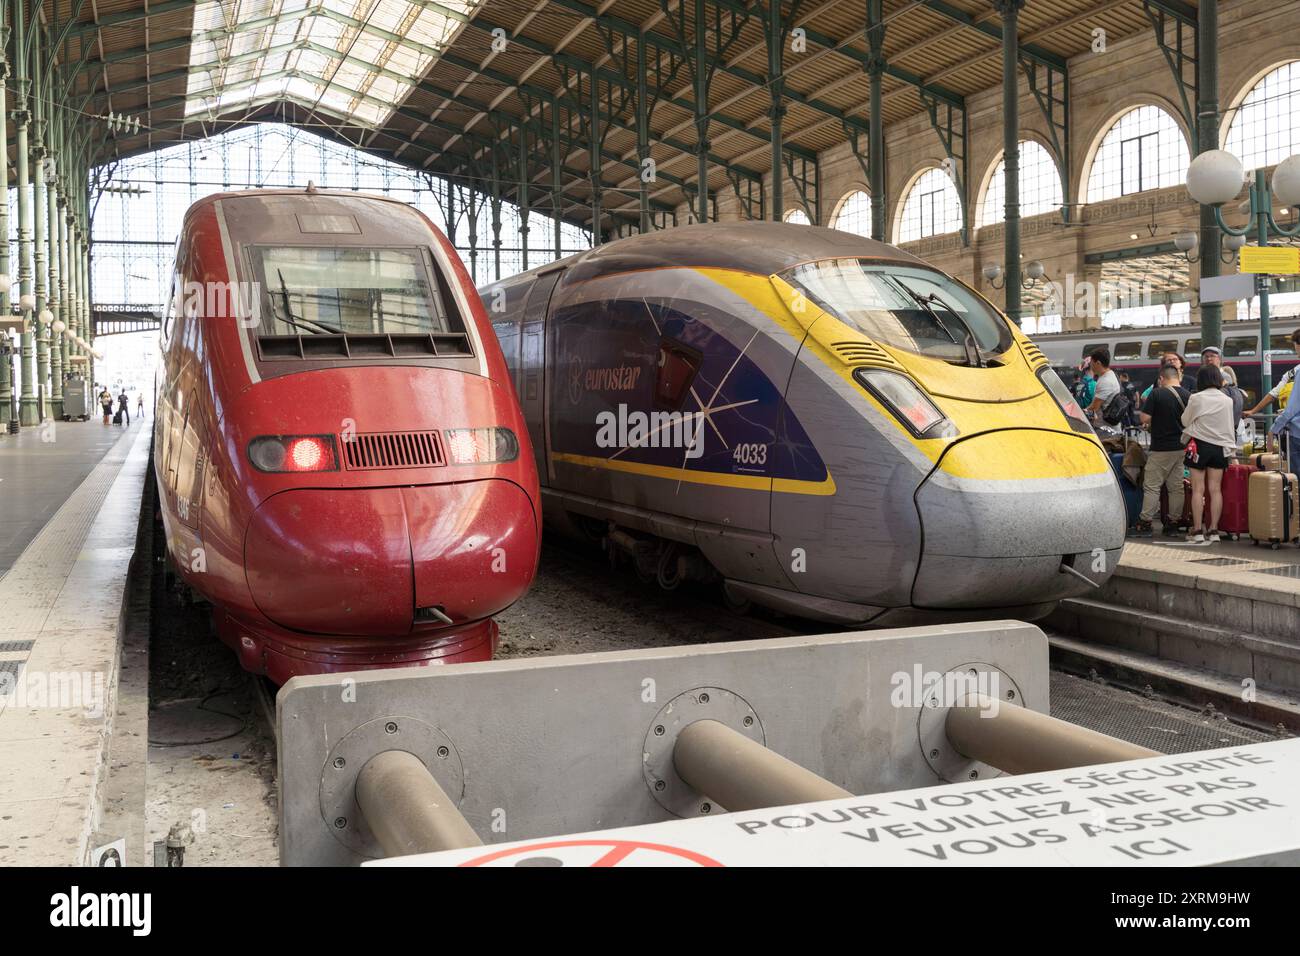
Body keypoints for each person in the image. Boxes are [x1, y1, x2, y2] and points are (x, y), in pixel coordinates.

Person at [1181, 364, 1237, 544]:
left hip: (1199, 445)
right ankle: (1214, 530)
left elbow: (1185, 420)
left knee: (1198, 489)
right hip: (1220, 448)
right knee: (1215, 489)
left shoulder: (1196, 398)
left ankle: (1197, 530)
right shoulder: (1227, 400)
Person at [1132, 364, 1189, 537]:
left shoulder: (1157, 393)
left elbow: (1144, 417)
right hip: (1181, 447)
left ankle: (1145, 522)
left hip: (1161, 448)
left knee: (1152, 486)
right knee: (1176, 487)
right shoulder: (1188, 395)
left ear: (1161, 378)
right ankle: (1172, 523)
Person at [1243, 328, 1300, 419]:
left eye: (1295, 345)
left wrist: (1253, 411)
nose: (1295, 348)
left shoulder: (1293, 373)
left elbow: (1273, 394)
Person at [1201, 346, 1245, 423]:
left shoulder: (1225, 376)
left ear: (1219, 359)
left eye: (1212, 356)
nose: (1209, 359)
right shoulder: (1204, 375)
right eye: (1206, 356)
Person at [1086, 348, 1123, 424]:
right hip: (1106, 427)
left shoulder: (1105, 381)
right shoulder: (1110, 374)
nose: (1090, 365)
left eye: (1091, 363)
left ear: (1098, 363)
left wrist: (1078, 413)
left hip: (1105, 429)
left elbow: (1094, 408)